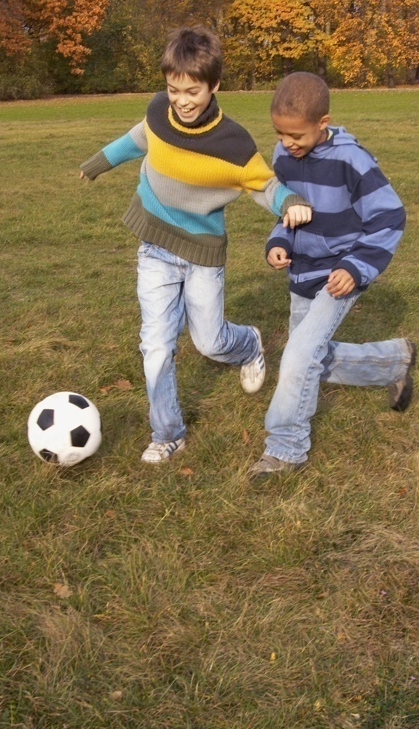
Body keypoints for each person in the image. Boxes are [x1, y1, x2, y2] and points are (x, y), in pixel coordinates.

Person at [79, 27, 311, 464]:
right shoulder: (158, 113)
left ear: (214, 86)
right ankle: (167, 433)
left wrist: (291, 202)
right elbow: (136, 140)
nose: (181, 100)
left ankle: (248, 344)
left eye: (192, 91)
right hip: (155, 249)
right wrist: (97, 164)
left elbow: (264, 184)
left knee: (209, 342)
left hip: (202, 255)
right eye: (172, 89)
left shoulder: (233, 142)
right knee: (156, 346)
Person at [249, 71, 415, 478]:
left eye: (297, 136)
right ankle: (394, 360)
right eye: (280, 133)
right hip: (302, 272)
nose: (288, 143)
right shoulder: (284, 154)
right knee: (309, 359)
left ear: (322, 124)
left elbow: (390, 217)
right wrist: (280, 243)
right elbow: (286, 209)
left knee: (299, 356)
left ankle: (286, 448)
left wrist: (354, 269)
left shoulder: (351, 160)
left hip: (339, 274)